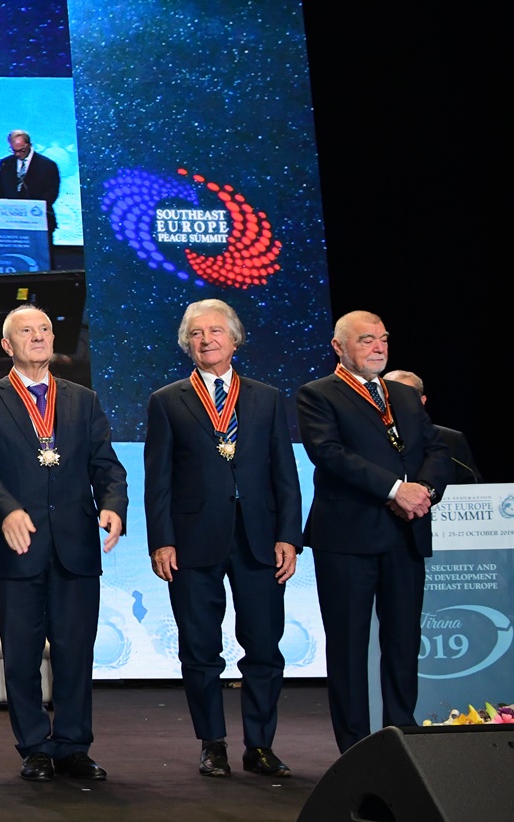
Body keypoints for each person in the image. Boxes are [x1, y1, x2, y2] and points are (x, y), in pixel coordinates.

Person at [0, 305, 128, 782]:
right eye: (26, 332)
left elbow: (106, 465)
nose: (39, 337)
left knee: (76, 650)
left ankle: (73, 745)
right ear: (7, 346)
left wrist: (114, 503)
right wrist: (7, 509)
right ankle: (33, 745)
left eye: (46, 330)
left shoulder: (83, 399)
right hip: (13, 546)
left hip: (74, 545)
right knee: (22, 652)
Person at [144, 300, 301, 779]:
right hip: (191, 541)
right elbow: (159, 480)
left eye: (216, 331)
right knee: (199, 647)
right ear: (186, 344)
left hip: (259, 540)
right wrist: (161, 540)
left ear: (235, 340)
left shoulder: (267, 397)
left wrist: (288, 536)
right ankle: (212, 742)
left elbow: (284, 475)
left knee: (264, 646)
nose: (207, 339)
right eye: (196, 333)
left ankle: (260, 744)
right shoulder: (168, 400)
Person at [297, 311, 452, 753]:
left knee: (403, 644)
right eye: (366, 340)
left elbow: (437, 448)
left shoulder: (402, 394)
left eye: (383, 339)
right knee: (348, 650)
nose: (378, 347)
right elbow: (329, 453)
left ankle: (402, 739)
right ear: (339, 347)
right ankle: (354, 749)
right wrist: (395, 490)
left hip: (406, 535)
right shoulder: (317, 394)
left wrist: (423, 491)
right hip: (347, 540)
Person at [383, 370, 482, 482]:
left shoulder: (451, 439)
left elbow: (470, 482)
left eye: (406, 397)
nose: (399, 402)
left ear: (422, 401)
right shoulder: (370, 436)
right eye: (393, 397)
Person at [0, 128, 60, 236]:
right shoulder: (5, 163)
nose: (17, 154)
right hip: (8, 223)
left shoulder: (47, 165)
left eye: (21, 150)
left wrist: (29, 210)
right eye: (13, 150)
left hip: (38, 222)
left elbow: (52, 192)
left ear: (29, 145)